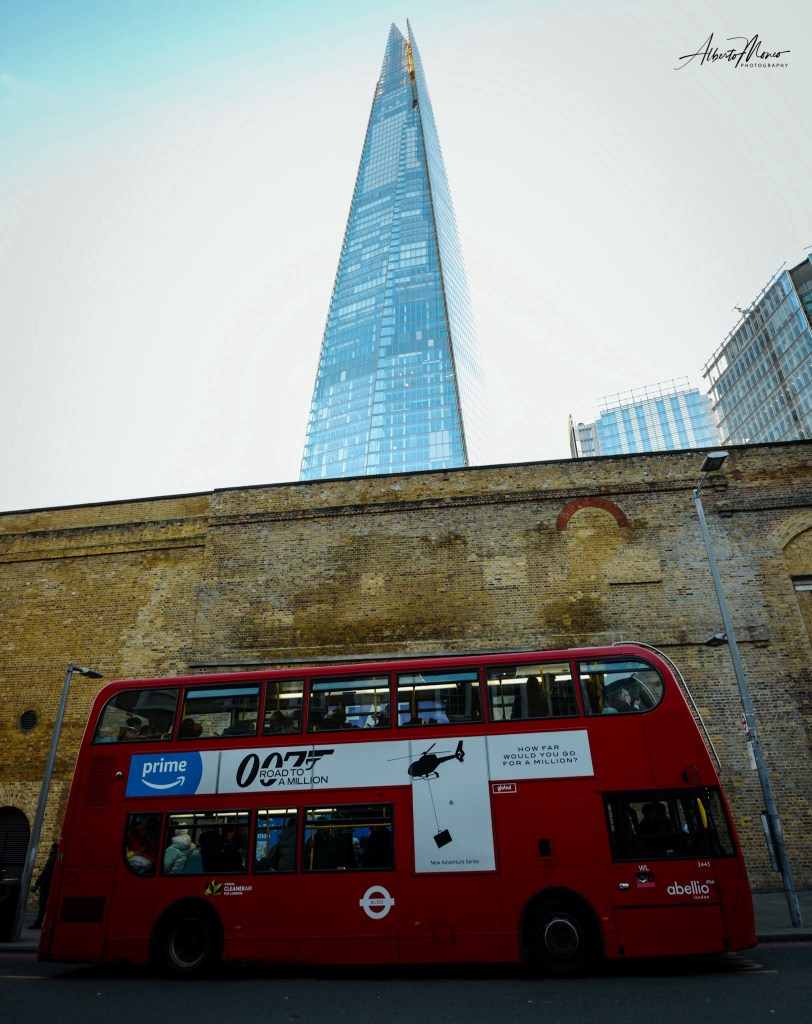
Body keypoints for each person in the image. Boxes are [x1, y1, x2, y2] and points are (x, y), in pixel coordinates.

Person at [30, 842, 57, 929]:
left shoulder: (52, 858)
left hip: (46, 886)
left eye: (51, 848)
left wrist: (37, 884)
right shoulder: (56, 858)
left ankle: (39, 923)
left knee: (42, 905)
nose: (50, 849)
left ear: (54, 849)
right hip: (51, 886)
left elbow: (45, 872)